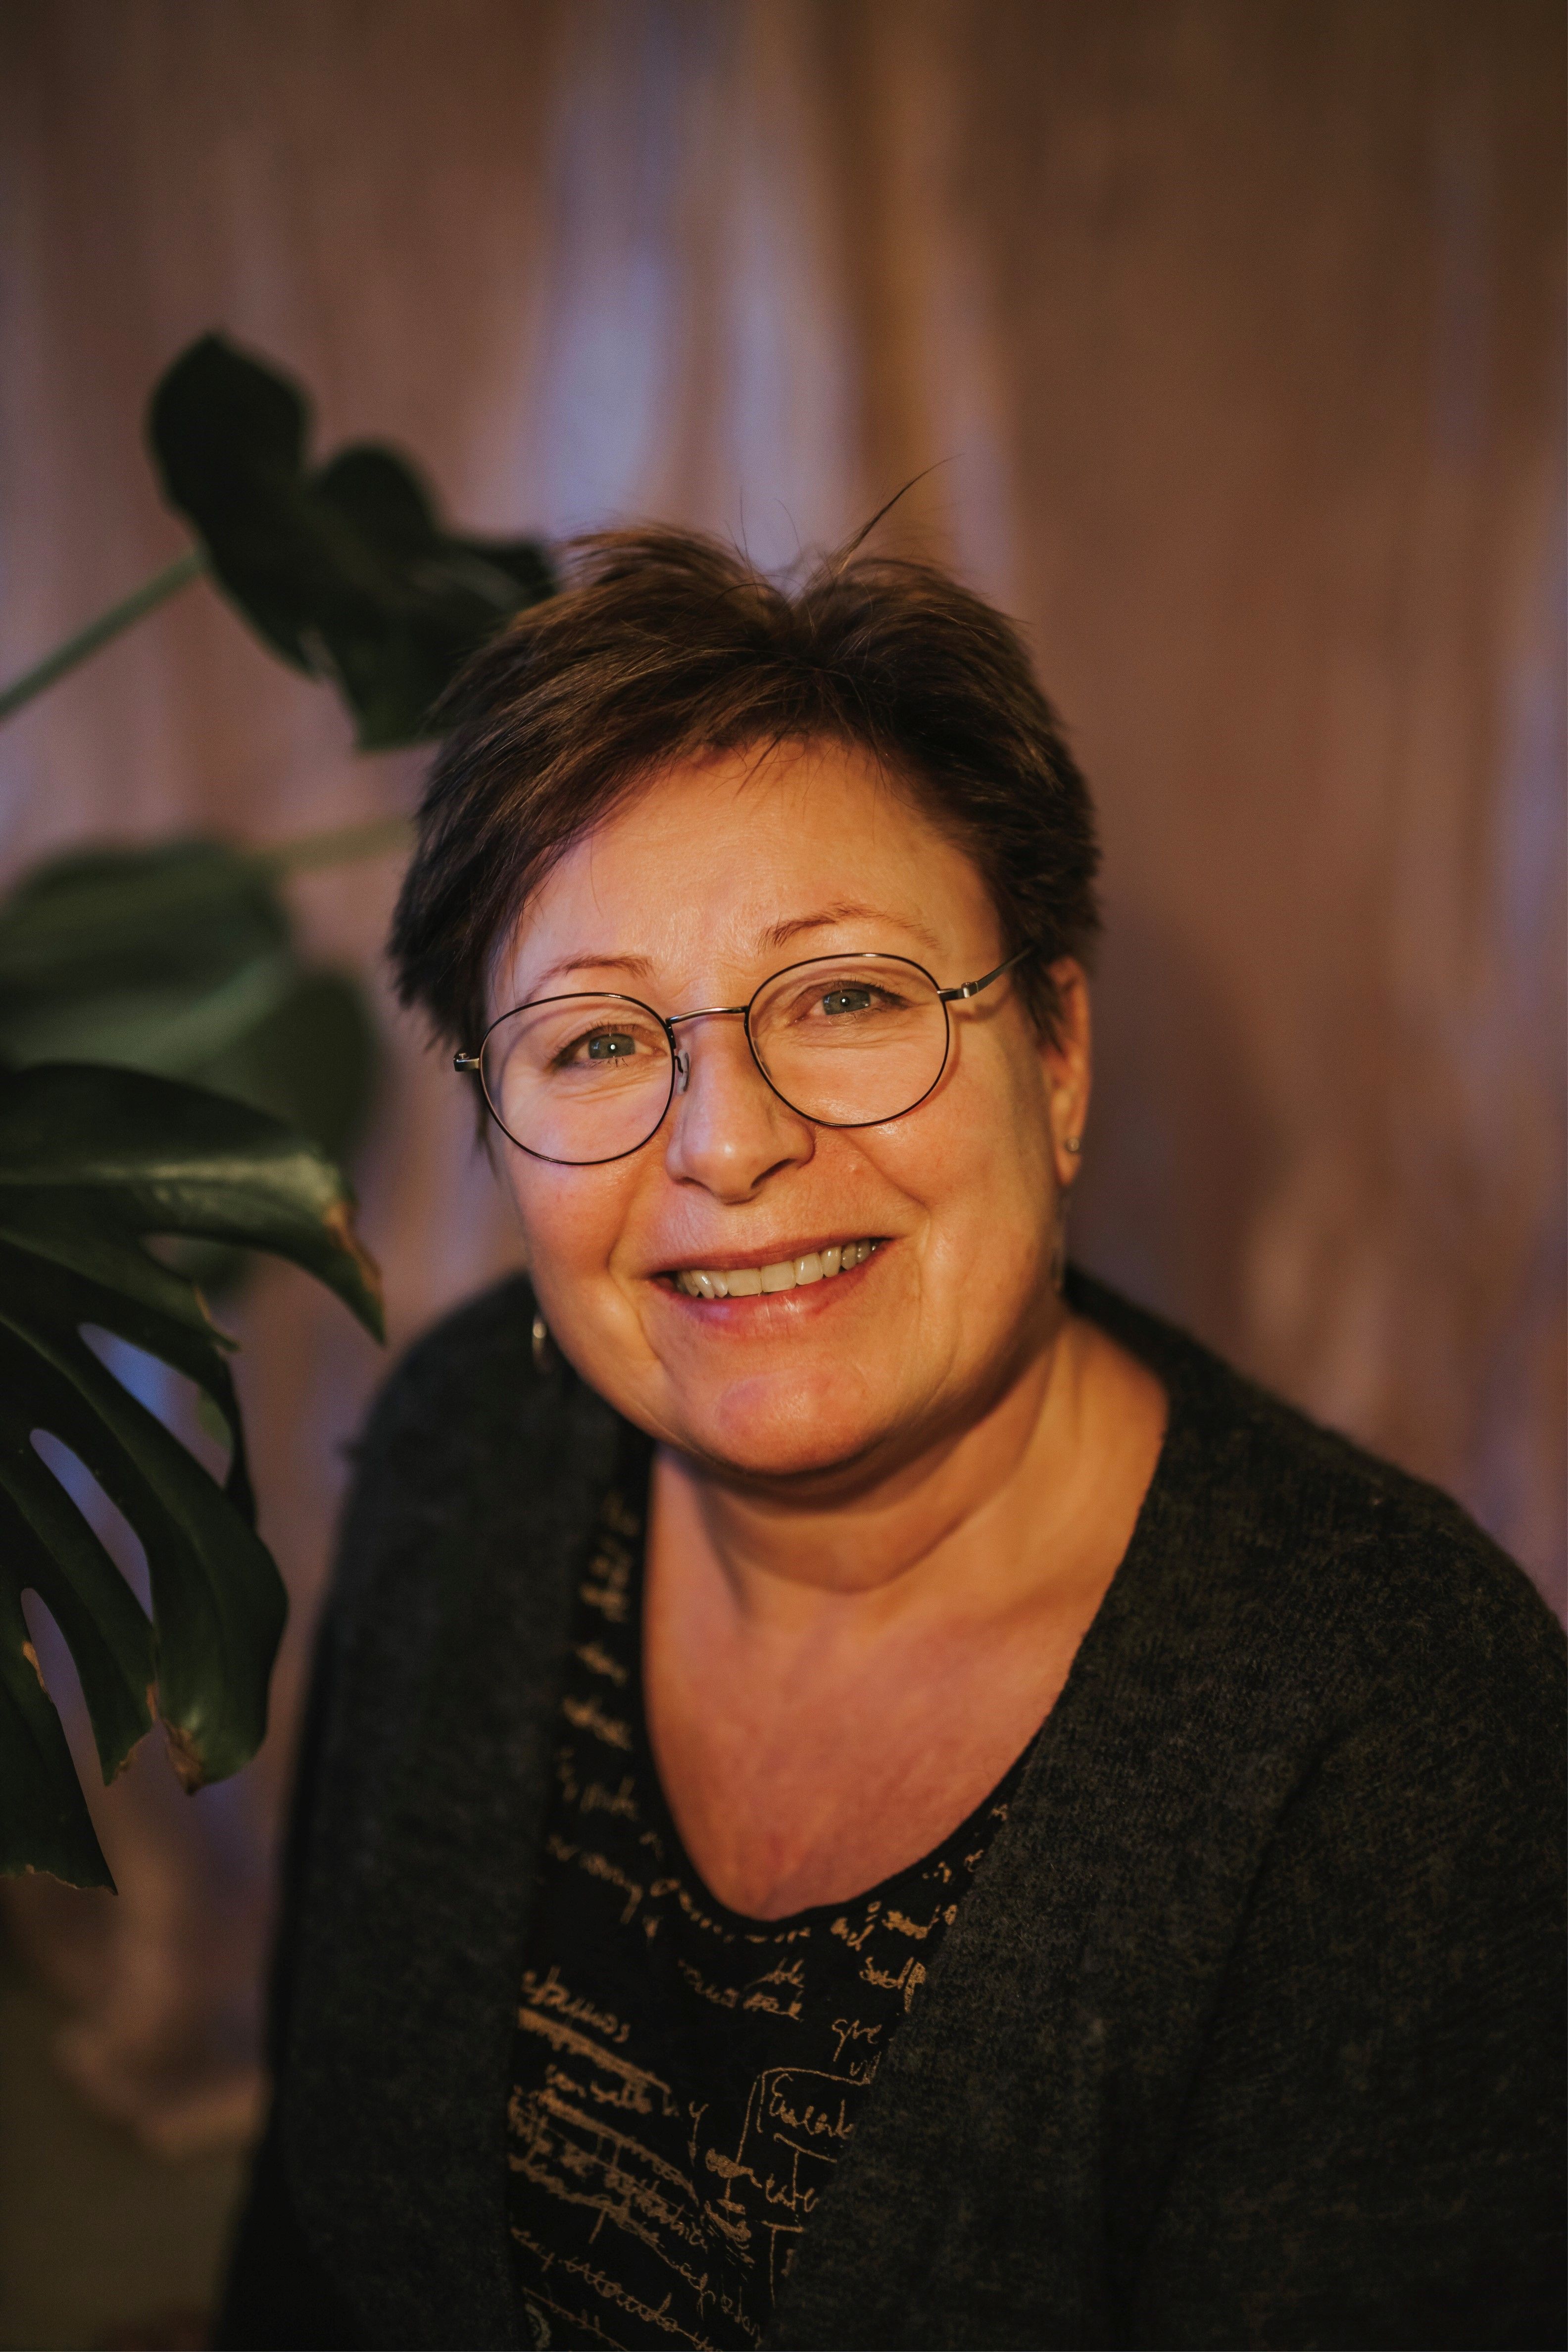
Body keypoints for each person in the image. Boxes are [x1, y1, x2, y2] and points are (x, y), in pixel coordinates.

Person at [220, 527, 1565, 2352]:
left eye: (844, 997)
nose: (726, 1146)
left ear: (1058, 1052)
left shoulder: (1401, 1728)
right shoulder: (470, 1438)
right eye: (595, 1042)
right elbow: (311, 2234)